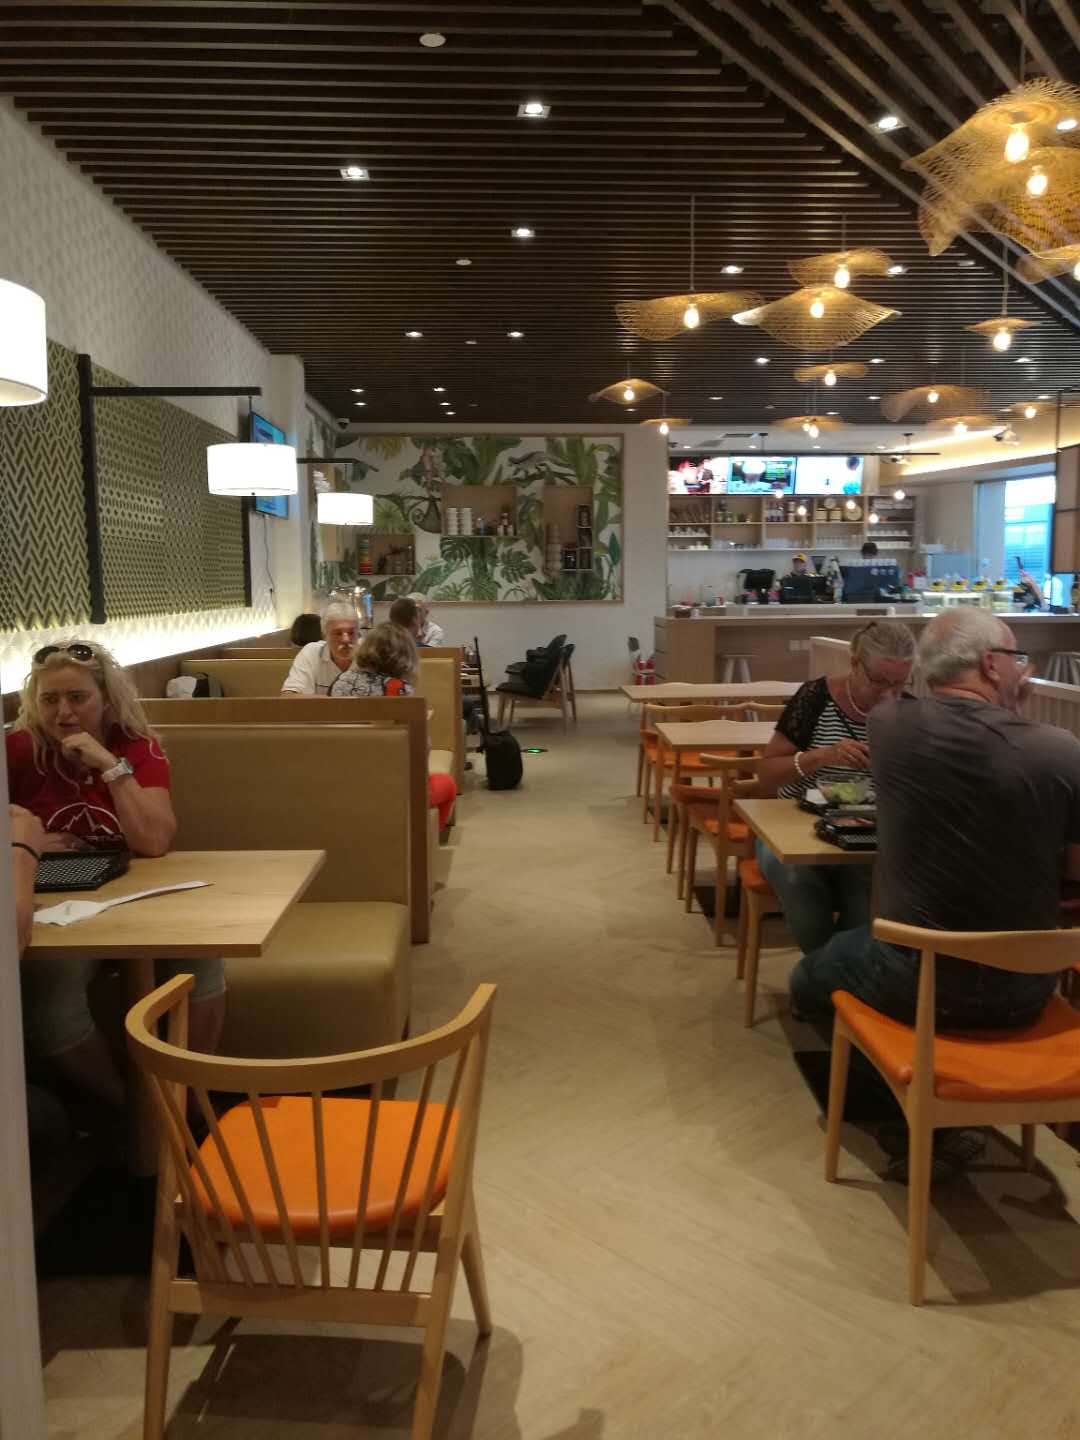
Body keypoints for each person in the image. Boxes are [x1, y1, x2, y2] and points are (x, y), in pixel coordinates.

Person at [790, 608, 1078, 1031]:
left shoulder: (887, 726)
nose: (1020, 667)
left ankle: (873, 1057)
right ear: (990, 664)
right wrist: (1015, 708)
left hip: (910, 980)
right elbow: (1074, 871)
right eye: (1016, 658)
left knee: (806, 977)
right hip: (1026, 989)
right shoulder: (1061, 750)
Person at [7, 640, 225, 1107]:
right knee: (52, 994)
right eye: (50, 699)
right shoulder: (17, 750)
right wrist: (29, 841)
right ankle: (137, 1112)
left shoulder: (135, 747)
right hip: (52, 905)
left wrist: (110, 766)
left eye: (78, 698)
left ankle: (190, 1106)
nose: (63, 712)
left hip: (135, 894)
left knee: (203, 955)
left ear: (105, 699)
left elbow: (154, 840)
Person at [755, 621, 915, 954]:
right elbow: (767, 775)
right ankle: (826, 974)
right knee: (798, 879)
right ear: (855, 664)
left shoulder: (908, 712)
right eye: (879, 681)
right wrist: (822, 756)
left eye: (900, 684)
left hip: (862, 834)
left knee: (869, 897)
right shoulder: (815, 698)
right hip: (791, 824)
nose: (890, 694)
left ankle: (827, 974)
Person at [330, 623, 457, 830]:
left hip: (342, 783)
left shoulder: (341, 682)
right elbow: (420, 750)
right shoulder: (400, 690)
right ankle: (422, 839)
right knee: (447, 784)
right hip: (391, 789)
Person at [281, 601, 358, 695]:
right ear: (325, 635)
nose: (346, 640)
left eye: (351, 633)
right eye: (338, 633)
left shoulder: (370, 654)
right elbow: (288, 696)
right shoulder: (311, 652)